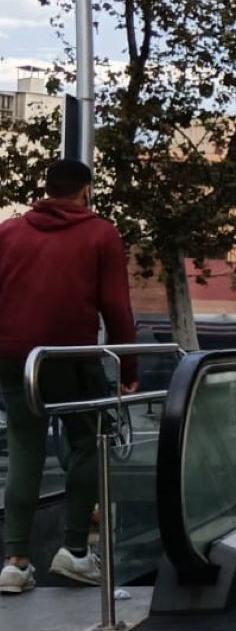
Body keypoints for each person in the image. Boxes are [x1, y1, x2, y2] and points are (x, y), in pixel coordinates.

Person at [0, 159, 139, 594]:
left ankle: (15, 562)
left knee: (25, 448)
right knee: (91, 442)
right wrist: (127, 368)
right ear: (85, 191)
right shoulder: (100, 233)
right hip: (70, 357)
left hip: (15, 360)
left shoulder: (8, 232)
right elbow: (116, 307)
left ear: (47, 189)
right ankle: (75, 551)